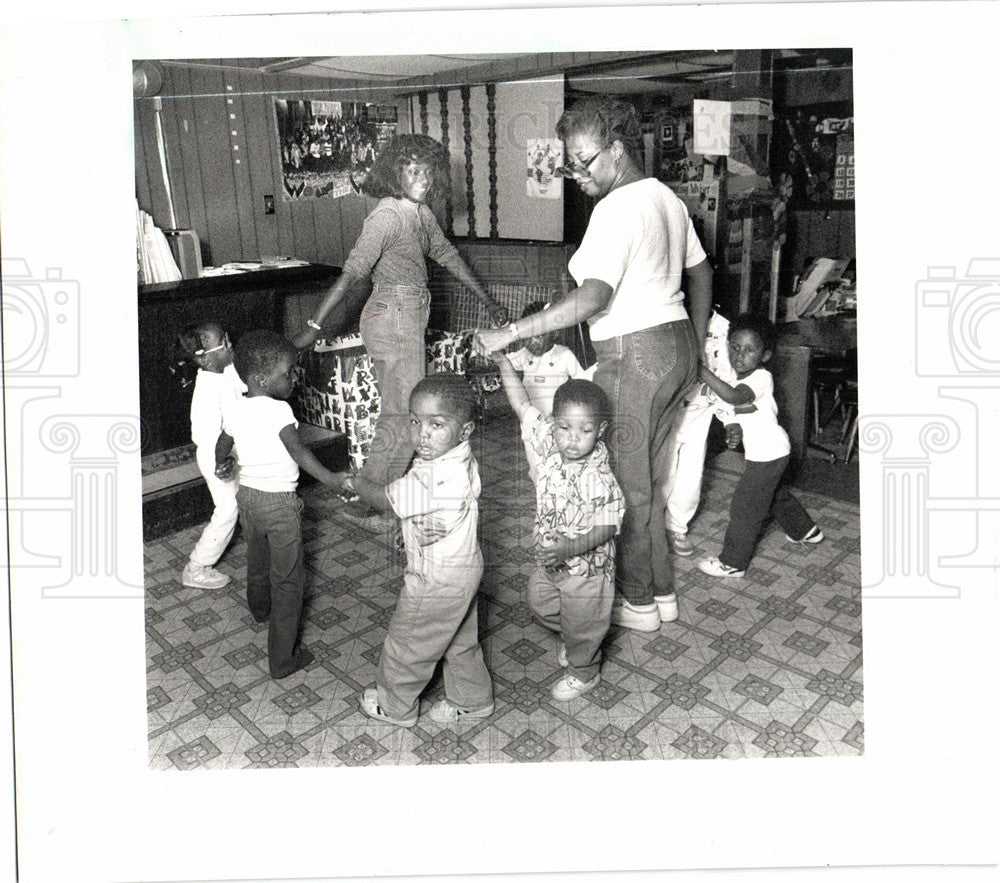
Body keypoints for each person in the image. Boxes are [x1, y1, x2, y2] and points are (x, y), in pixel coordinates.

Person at [474, 95, 713, 632]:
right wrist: (696, 347)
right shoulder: (665, 198)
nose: (576, 173)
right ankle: (661, 594)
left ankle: (637, 604)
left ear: (618, 149)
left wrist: (512, 330)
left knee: (622, 490)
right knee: (649, 482)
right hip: (673, 348)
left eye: (584, 160)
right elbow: (699, 272)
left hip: (634, 352)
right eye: (570, 162)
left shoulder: (617, 206)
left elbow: (593, 297)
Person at [293, 134, 508, 519]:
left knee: (400, 409)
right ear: (395, 174)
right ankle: (374, 495)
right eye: (413, 170)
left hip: (406, 313)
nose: (423, 178)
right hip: (392, 313)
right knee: (404, 411)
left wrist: (486, 300)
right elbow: (352, 273)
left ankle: (373, 492)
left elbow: (447, 254)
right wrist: (313, 325)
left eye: (428, 170)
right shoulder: (388, 216)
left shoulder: (418, 212)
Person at [341, 373, 493, 727]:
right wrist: (412, 531)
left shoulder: (432, 476)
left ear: (465, 430)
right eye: (415, 421)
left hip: (435, 580)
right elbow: (443, 514)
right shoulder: (460, 459)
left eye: (436, 424)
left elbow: (387, 499)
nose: (422, 434)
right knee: (459, 639)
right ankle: (472, 699)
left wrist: (354, 482)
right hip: (464, 569)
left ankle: (395, 707)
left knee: (408, 644)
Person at [215, 330, 345, 679]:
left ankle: (260, 610)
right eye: (287, 373)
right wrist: (331, 479)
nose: (293, 378)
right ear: (261, 379)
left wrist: (220, 462)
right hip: (280, 506)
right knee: (288, 581)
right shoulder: (279, 410)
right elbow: (298, 451)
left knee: (258, 560)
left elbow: (223, 440)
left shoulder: (235, 406)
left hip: (248, 500)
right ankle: (283, 660)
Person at [495, 359, 624, 700]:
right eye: (565, 428)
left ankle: (585, 670)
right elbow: (521, 404)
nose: (573, 439)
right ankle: (578, 636)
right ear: (553, 423)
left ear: (601, 430)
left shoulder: (599, 476)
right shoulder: (550, 445)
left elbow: (609, 524)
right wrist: (501, 361)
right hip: (551, 560)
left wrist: (570, 548)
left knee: (585, 622)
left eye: (585, 431)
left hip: (587, 568)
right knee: (540, 603)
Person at [696, 314, 824, 578]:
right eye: (734, 347)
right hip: (770, 452)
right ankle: (806, 531)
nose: (739, 356)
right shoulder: (737, 376)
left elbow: (733, 397)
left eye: (749, 350)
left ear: (765, 356)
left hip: (769, 454)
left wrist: (700, 370)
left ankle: (732, 563)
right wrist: (733, 428)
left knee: (745, 508)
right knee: (774, 494)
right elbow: (736, 409)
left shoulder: (761, 378)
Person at [660, 309, 741, 557]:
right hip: (668, 414)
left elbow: (727, 377)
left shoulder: (723, 329)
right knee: (662, 473)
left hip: (700, 415)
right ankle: (650, 525)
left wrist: (729, 420)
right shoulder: (670, 318)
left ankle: (676, 527)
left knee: (690, 479)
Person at [172, 321, 246, 589]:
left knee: (244, 498)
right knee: (228, 508)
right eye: (224, 342)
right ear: (204, 357)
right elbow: (207, 438)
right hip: (215, 456)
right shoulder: (206, 390)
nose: (230, 344)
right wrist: (221, 462)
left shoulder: (226, 371)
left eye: (227, 338)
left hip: (232, 450)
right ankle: (197, 567)